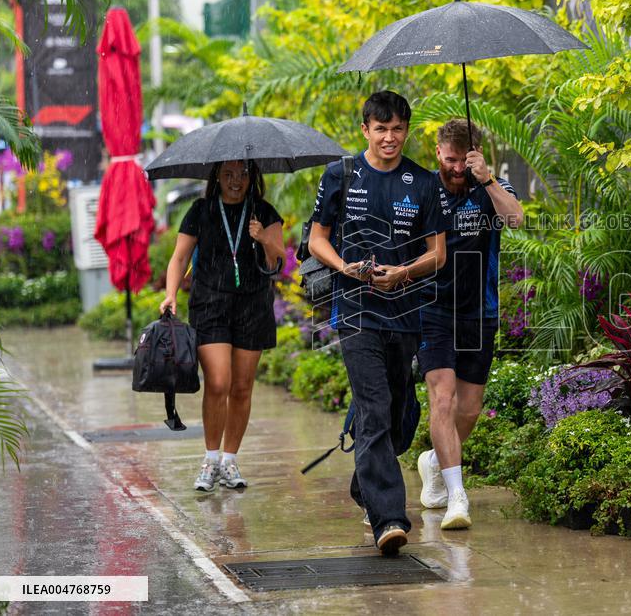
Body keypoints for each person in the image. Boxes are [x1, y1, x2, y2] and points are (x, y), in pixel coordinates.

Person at [308, 90, 448, 555]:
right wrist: (343, 268)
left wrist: (404, 272)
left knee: (398, 415)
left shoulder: (423, 182)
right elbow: (317, 240)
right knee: (373, 407)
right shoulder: (341, 174)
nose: (389, 137)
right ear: (365, 129)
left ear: (407, 131)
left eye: (397, 129)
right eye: (381, 129)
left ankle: (364, 483)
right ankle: (388, 517)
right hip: (356, 312)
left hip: (406, 313)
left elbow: (437, 254)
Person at [416, 119, 524, 530]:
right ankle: (457, 495)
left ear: (475, 155)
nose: (457, 168)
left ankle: (434, 461)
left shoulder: (490, 188)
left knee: (469, 409)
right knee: (442, 400)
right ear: (438, 153)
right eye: (450, 159)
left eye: (464, 160)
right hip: (432, 308)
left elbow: (516, 219)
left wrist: (488, 179)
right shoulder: (423, 190)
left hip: (480, 310)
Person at [160, 159, 284, 492]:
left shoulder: (263, 212)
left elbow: (278, 260)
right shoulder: (201, 210)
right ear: (216, 176)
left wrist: (263, 238)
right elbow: (179, 257)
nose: (235, 181)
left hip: (253, 306)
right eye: (228, 174)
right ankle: (210, 459)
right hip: (210, 304)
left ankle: (230, 461)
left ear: (252, 176)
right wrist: (171, 294)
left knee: (241, 387)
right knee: (218, 381)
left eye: (242, 174)